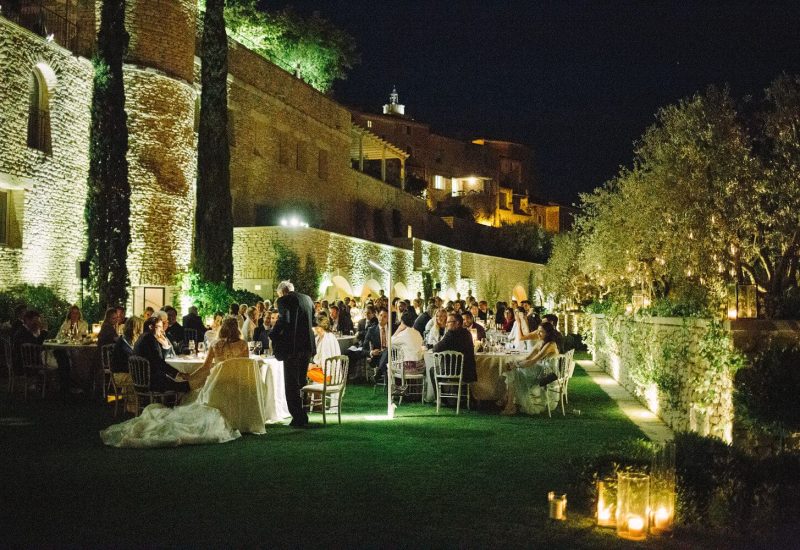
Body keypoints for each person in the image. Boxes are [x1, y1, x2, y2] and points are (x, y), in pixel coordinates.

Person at [270, 280, 316, 428]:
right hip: (307, 346)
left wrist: (273, 334)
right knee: (302, 382)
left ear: (282, 292)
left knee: (291, 384)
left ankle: (297, 416)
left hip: (292, 348)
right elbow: (313, 321)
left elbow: (284, 320)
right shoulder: (308, 299)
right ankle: (303, 414)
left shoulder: (284, 300)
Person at [500, 322, 560, 415]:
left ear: (548, 333)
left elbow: (534, 360)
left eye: (541, 332)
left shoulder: (550, 344)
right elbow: (528, 358)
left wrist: (516, 365)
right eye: (538, 331)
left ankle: (508, 403)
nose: (538, 334)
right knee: (513, 371)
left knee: (514, 371)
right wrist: (515, 363)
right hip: (540, 369)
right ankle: (509, 404)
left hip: (547, 374)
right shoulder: (540, 342)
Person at [132, 316, 189, 394]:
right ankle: (173, 405)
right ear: (151, 327)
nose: (162, 330)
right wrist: (177, 373)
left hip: (140, 381)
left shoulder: (141, 338)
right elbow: (158, 362)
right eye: (160, 327)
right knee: (187, 384)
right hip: (153, 382)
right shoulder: (150, 339)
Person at [191, 316, 250, 388]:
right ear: (237, 329)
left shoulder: (215, 344)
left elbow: (205, 367)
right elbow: (246, 366)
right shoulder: (243, 344)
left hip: (218, 383)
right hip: (237, 383)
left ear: (222, 328)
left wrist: (191, 377)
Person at [432, 313, 477, 385]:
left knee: (432, 370)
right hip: (469, 372)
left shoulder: (451, 334)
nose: (446, 324)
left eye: (448, 322)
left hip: (455, 372)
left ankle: (440, 395)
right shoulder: (467, 333)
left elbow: (436, 349)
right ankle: (459, 391)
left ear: (457, 323)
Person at [110, 316, 143, 413]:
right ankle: (134, 406)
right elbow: (129, 363)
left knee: (143, 376)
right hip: (120, 375)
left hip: (126, 372)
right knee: (143, 379)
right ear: (135, 329)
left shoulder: (128, 341)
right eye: (141, 329)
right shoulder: (124, 344)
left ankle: (136, 403)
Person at [307, 311, 341, 384]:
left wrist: (313, 366)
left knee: (302, 371)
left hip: (329, 375)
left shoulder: (327, 339)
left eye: (316, 327)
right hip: (323, 370)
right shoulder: (319, 337)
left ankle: (306, 392)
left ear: (321, 327)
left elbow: (326, 362)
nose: (313, 329)